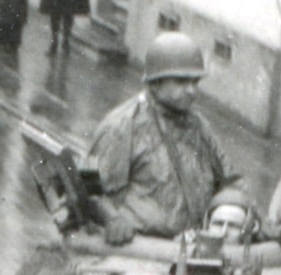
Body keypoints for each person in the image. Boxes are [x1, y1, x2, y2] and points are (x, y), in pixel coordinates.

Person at [84, 32, 245, 245]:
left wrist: (246, 211)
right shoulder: (122, 126)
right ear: (155, 83)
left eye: (195, 82)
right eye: (181, 82)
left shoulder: (199, 125)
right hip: (139, 248)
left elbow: (228, 180)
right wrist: (112, 219)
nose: (191, 91)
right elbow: (89, 189)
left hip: (189, 246)